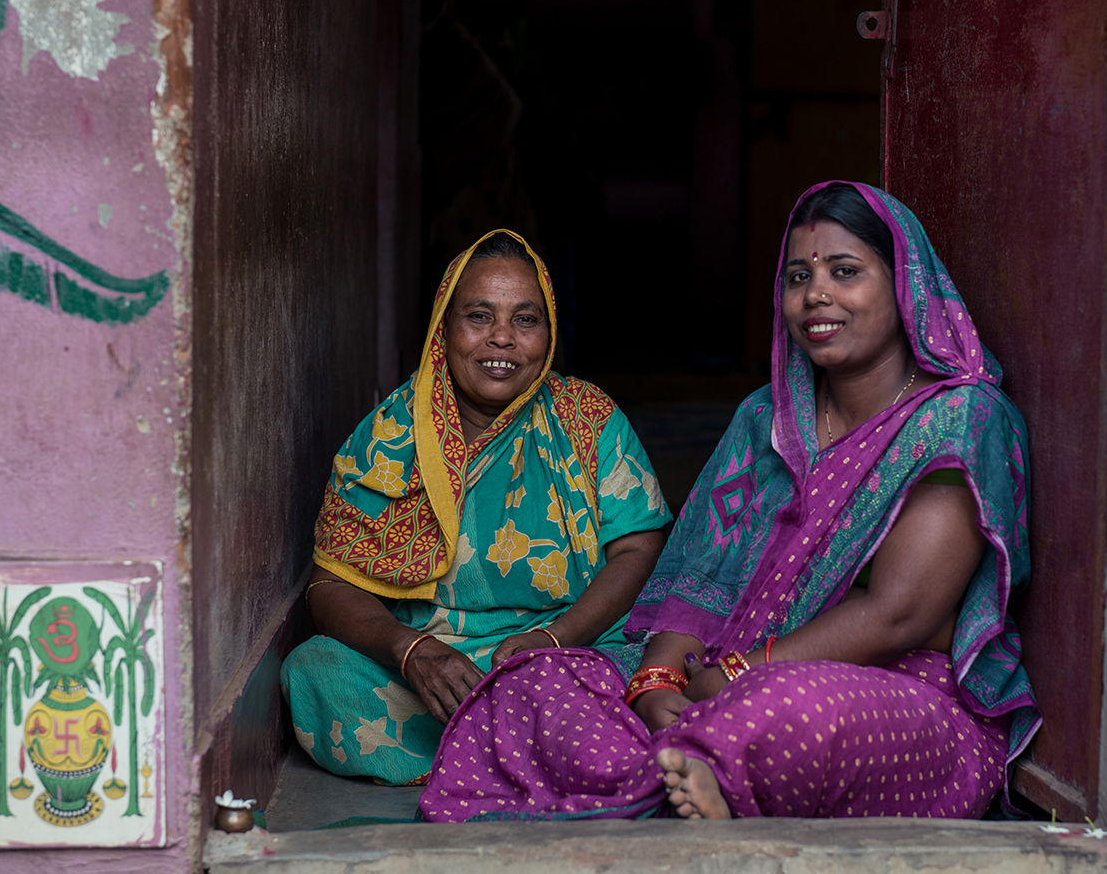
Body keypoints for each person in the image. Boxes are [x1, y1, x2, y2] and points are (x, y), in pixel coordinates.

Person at [418, 183, 1038, 821]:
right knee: (534, 681)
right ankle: (687, 762)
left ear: (904, 284)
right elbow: (697, 580)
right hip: (717, 673)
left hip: (887, 692)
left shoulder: (958, 422)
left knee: (795, 708)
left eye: (845, 272)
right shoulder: (765, 419)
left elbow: (899, 615)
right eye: (799, 276)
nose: (816, 294)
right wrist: (657, 681)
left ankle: (703, 765)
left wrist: (741, 675)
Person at [283, 230, 672, 784]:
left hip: (566, 653)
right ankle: (538, 752)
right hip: (433, 668)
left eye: (526, 319)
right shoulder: (390, 437)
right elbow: (330, 584)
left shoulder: (588, 418)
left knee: (646, 670)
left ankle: (485, 749)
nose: (503, 339)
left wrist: (551, 640)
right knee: (314, 672)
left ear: (549, 330)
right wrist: (411, 649)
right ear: (445, 328)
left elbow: (638, 547)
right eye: (479, 316)